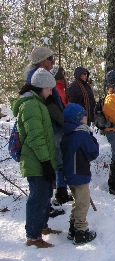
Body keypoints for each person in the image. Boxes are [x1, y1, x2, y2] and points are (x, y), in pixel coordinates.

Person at [10, 68, 60, 248]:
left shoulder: (38, 103)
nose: (51, 92)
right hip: (36, 161)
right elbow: (35, 137)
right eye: (49, 89)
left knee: (45, 195)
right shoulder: (31, 106)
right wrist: (45, 162)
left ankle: (42, 226)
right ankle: (33, 236)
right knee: (38, 197)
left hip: (42, 160)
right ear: (41, 88)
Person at [23, 46, 69, 216]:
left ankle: (49, 203)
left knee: (54, 161)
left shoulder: (41, 75)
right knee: (50, 164)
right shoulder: (37, 79)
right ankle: (46, 206)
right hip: (48, 127)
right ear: (41, 61)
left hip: (52, 125)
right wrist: (62, 120)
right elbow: (49, 104)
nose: (53, 62)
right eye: (50, 59)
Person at [60, 103, 99, 245]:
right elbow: (93, 152)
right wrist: (93, 139)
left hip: (69, 173)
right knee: (83, 202)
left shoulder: (66, 133)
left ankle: (73, 226)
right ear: (77, 118)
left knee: (78, 199)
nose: (86, 117)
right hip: (80, 172)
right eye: (83, 115)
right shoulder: (82, 134)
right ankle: (80, 231)